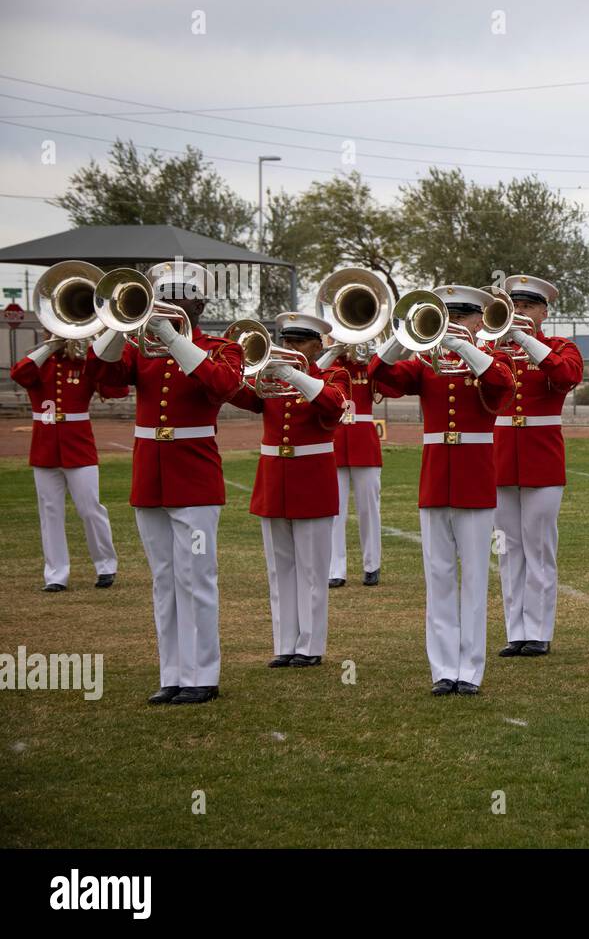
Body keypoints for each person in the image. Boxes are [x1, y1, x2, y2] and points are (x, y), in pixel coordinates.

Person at [90, 260, 243, 704]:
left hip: (194, 479)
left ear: (200, 302)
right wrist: (118, 323)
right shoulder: (140, 349)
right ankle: (172, 673)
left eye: (182, 294)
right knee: (163, 578)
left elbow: (223, 386)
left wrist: (174, 339)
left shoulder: (220, 347)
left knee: (196, 575)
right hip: (151, 477)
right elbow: (104, 380)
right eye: (165, 293)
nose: (172, 301)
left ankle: (202, 676)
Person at [370, 286, 513, 696]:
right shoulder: (425, 365)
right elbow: (380, 374)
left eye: (461, 314)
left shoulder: (491, 358)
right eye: (444, 315)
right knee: (439, 577)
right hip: (435, 480)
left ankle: (470, 670)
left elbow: (501, 384)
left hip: (475, 479)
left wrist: (462, 345)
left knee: (474, 580)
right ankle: (442, 669)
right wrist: (407, 334)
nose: (452, 321)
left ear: (479, 320)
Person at [230, 313, 351, 668]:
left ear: (319, 344)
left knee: (313, 569)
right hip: (273, 476)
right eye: (287, 341)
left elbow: (333, 406)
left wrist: (293, 373)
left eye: (299, 342)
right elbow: (238, 394)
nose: (290, 348)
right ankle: (285, 644)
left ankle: (311, 646)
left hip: (312, 477)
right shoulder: (268, 378)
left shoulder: (331, 375)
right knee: (279, 568)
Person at [491, 275, 585, 659]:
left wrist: (526, 340)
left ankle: (539, 631)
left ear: (544, 312)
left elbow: (567, 377)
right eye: (516, 306)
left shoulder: (559, 347)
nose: (520, 313)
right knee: (509, 550)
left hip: (542, 459)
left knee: (539, 547)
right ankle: (516, 631)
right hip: (499, 458)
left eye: (528, 306)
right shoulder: (492, 350)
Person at [11, 334, 122, 592]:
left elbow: (116, 390)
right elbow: (20, 374)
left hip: (78, 447)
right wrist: (50, 345)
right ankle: (56, 574)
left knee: (90, 508)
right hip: (45, 448)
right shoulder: (40, 364)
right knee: (50, 513)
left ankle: (106, 565)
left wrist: (98, 353)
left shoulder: (83, 364)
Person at [321, 341, 399, 589]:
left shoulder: (369, 366)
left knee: (369, 509)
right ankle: (335, 568)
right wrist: (334, 350)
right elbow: (310, 373)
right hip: (335, 441)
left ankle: (371, 565)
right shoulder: (332, 363)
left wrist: (377, 359)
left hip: (364, 443)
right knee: (334, 511)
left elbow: (395, 387)